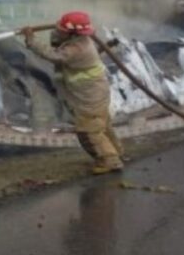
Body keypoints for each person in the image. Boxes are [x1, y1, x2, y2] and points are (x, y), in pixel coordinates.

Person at [21, 11, 124, 174]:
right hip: (95, 91)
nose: (59, 30)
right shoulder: (81, 40)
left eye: (62, 28)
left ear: (72, 32)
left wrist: (31, 40)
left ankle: (110, 160)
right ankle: (115, 152)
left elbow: (52, 55)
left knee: (89, 130)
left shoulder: (76, 49)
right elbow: (57, 41)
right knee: (102, 125)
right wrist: (58, 29)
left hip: (89, 94)